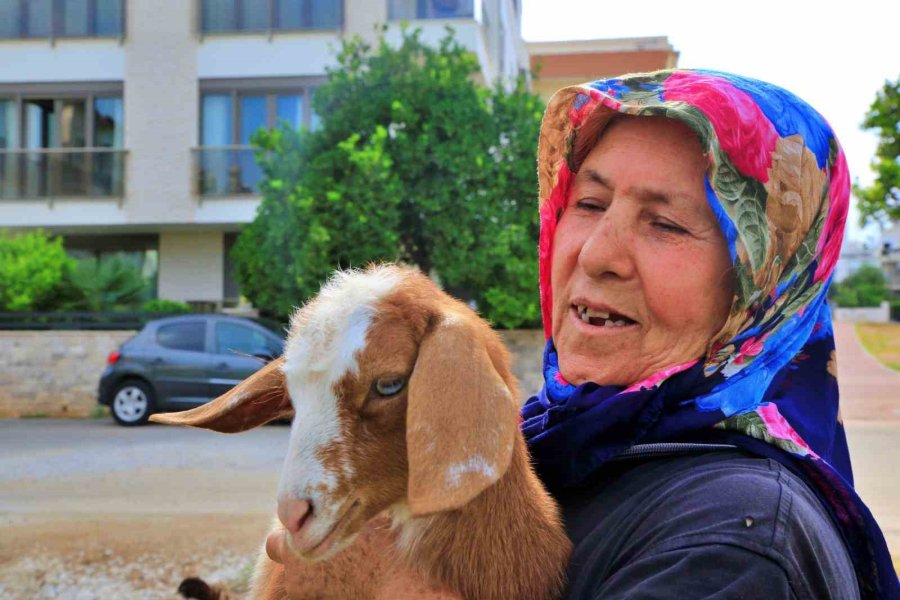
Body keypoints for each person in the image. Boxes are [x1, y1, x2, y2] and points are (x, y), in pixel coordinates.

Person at [267, 70, 900, 599]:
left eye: (666, 224)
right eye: (589, 204)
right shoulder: (560, 444)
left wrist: (387, 579)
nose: (597, 253)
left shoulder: (738, 546)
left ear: (763, 279)